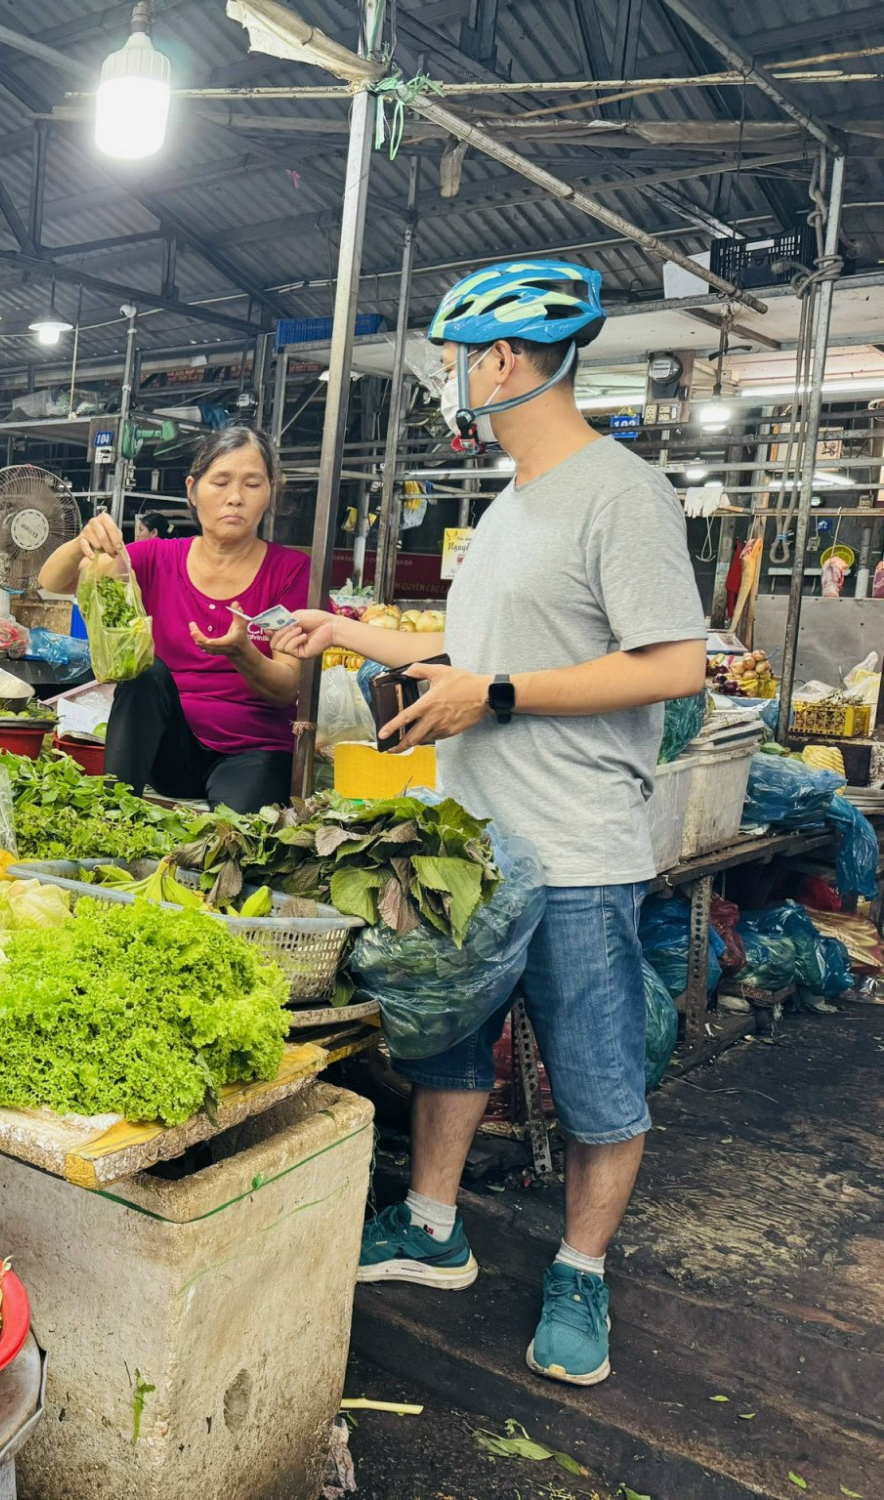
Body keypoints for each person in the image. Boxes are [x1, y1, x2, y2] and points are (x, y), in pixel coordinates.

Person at [271, 259, 706, 1388]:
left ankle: (579, 1269)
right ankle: (430, 1227)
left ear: (503, 361)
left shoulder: (621, 492)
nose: (452, 382)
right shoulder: (508, 504)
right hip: (468, 848)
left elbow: (671, 663)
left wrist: (497, 696)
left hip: (570, 851)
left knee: (596, 1077)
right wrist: (343, 633)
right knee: (450, 1043)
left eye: (457, 362)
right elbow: (472, 661)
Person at [38, 426, 307, 811]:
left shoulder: (291, 572)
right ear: (192, 490)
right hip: (169, 751)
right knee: (145, 672)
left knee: (233, 842)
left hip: (254, 753)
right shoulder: (156, 558)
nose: (235, 498)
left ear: (270, 493)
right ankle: (112, 812)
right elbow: (53, 580)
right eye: (220, 482)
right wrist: (83, 541)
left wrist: (243, 653)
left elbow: (286, 689)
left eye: (252, 484)